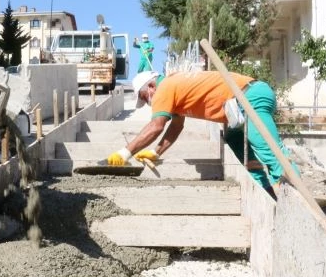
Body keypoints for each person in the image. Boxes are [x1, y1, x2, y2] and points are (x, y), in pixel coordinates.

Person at [106, 70, 299, 199]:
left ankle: (295, 198)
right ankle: (266, 191)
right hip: (237, 107)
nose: (148, 102)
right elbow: (176, 127)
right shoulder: (175, 89)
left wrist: (125, 153)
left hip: (250, 97)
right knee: (235, 142)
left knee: (271, 153)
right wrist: (156, 152)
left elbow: (156, 126)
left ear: (150, 87)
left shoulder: (164, 88)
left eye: (144, 97)